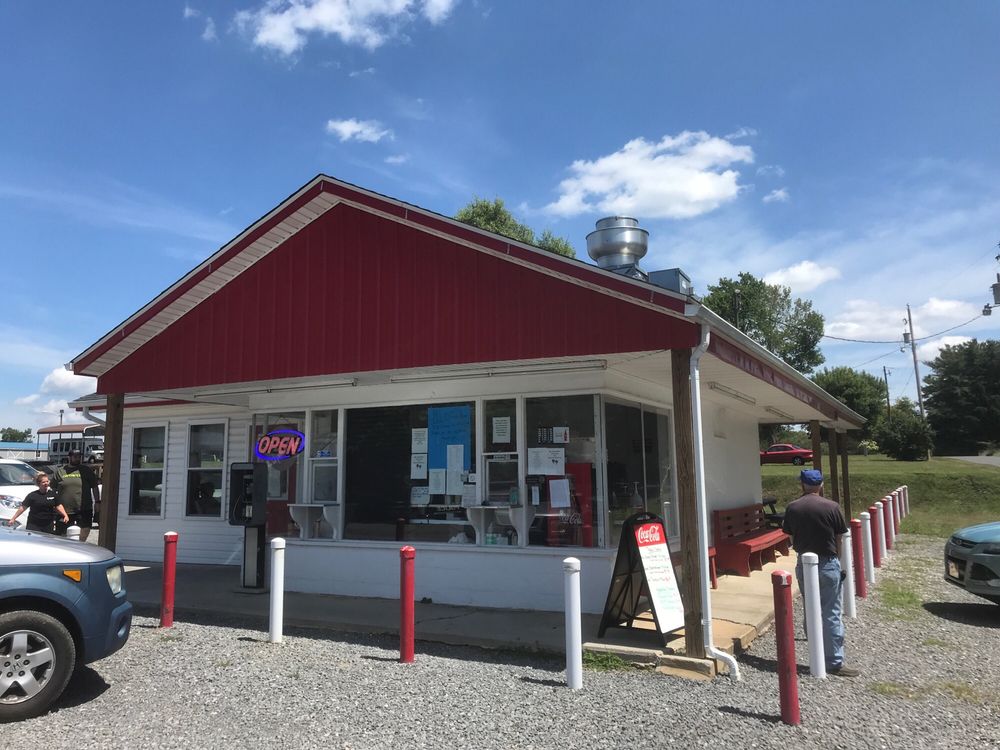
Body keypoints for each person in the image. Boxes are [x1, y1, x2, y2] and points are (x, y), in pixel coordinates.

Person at [782, 468, 859, 677]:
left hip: (804, 563)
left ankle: (815, 652)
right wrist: (837, 559)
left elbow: (790, 536)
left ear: (802, 484)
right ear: (821, 485)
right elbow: (839, 537)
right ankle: (834, 661)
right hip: (828, 562)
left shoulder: (793, 507)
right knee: (831, 611)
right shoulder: (832, 507)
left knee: (810, 606)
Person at [53, 449, 100, 542]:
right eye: (75, 457)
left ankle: (81, 544)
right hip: (65, 509)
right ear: (69, 457)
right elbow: (53, 489)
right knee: (62, 533)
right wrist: (54, 504)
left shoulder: (86, 470)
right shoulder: (60, 471)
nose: (77, 458)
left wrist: (97, 502)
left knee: (85, 528)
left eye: (79, 457)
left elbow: (95, 487)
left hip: (84, 508)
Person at [5, 472, 70, 533]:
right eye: (43, 482)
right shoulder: (32, 495)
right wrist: (13, 518)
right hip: (34, 524)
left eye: (47, 481)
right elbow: (23, 507)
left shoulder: (53, 494)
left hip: (48, 524)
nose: (46, 483)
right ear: (39, 484)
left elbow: (58, 506)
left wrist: (65, 515)